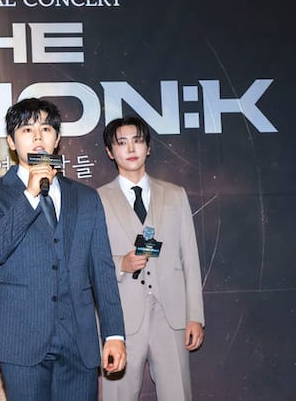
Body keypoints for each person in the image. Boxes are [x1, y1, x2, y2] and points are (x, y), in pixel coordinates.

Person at [0, 98, 126, 400]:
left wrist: (114, 333)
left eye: (45, 128)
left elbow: (102, 269)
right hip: (21, 339)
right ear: (11, 142)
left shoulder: (86, 198)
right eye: (27, 129)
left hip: (79, 340)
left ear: (56, 139)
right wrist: (30, 194)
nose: (37, 136)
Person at [98, 115, 205, 401]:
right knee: (117, 396)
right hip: (120, 318)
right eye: (122, 143)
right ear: (110, 152)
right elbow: (89, 260)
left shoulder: (175, 195)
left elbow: (189, 257)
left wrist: (195, 316)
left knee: (178, 394)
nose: (131, 148)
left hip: (171, 316)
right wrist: (121, 263)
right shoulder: (96, 200)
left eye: (137, 140)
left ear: (148, 147)